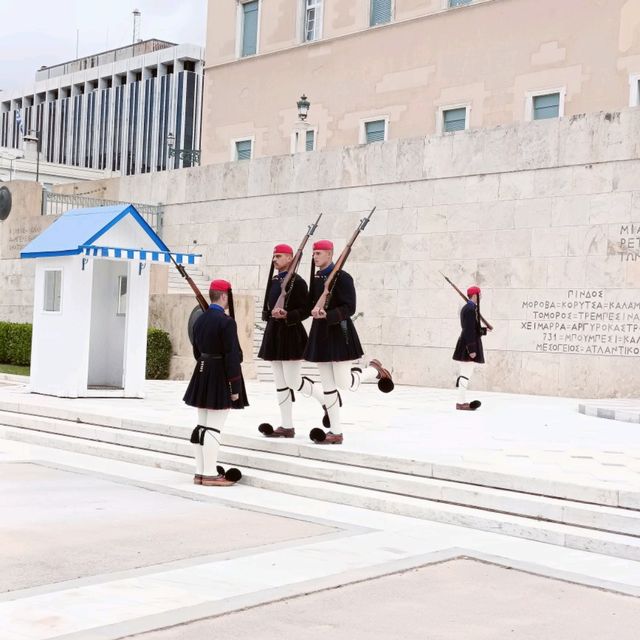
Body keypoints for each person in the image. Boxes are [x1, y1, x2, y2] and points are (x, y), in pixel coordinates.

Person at [304, 239, 394, 445]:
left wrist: (327, 314)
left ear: (330, 254)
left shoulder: (343, 278)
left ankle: (374, 370)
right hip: (320, 334)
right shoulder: (316, 279)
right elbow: (311, 303)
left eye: (318, 253)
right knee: (327, 386)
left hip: (339, 332)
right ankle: (335, 431)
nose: (315, 257)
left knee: (344, 383)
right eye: (314, 253)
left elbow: (349, 307)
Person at [257, 243, 326, 438]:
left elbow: (306, 310)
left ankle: (326, 401)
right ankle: (286, 426)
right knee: (280, 382)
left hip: (290, 333)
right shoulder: (273, 281)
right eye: (274, 256)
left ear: (290, 258)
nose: (275, 260)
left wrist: (287, 314)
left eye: (279, 256)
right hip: (274, 333)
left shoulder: (299, 282)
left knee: (293, 381)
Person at [183, 279, 248, 486]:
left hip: (202, 371)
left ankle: (200, 472)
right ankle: (210, 474)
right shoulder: (226, 322)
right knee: (213, 428)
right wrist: (235, 387)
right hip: (219, 374)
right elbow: (231, 356)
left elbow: (196, 350)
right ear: (224, 296)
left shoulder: (199, 318)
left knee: (202, 426)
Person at [452, 285, 489, 411]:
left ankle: (461, 401)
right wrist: (472, 350)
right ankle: (461, 403)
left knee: (466, 374)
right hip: (468, 346)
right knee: (465, 374)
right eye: (480, 294)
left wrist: (484, 330)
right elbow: (468, 331)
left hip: (468, 344)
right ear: (475, 296)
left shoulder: (471, 308)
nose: (481, 296)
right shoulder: (469, 309)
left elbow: (473, 328)